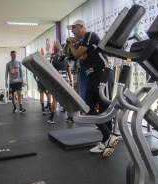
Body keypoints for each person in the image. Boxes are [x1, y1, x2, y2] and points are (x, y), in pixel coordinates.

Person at [64, 19, 117, 157]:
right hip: (92, 76)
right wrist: (67, 43)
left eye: (74, 28)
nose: (72, 31)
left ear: (82, 27)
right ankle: (107, 138)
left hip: (102, 73)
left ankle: (106, 141)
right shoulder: (80, 43)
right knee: (87, 107)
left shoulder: (90, 35)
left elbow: (75, 54)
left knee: (104, 109)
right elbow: (68, 56)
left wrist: (71, 43)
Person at [47, 45, 73, 124]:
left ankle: (51, 118)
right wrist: (71, 81)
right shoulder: (65, 58)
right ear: (60, 50)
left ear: (54, 50)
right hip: (65, 79)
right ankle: (70, 117)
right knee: (67, 98)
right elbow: (69, 71)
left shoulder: (52, 59)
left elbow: (50, 71)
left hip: (57, 80)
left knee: (55, 98)